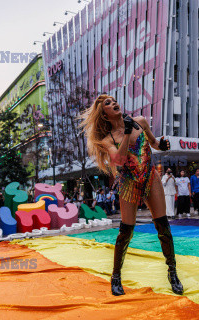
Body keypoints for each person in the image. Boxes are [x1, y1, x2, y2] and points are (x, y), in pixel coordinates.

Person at [79, 95, 183, 296]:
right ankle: (116, 276)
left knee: (163, 225)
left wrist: (163, 145)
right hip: (128, 183)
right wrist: (126, 133)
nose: (113, 103)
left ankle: (173, 272)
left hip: (150, 177)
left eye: (113, 100)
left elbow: (153, 143)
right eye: (107, 103)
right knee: (126, 231)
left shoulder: (140, 122)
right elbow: (118, 160)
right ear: (104, 114)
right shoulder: (106, 139)